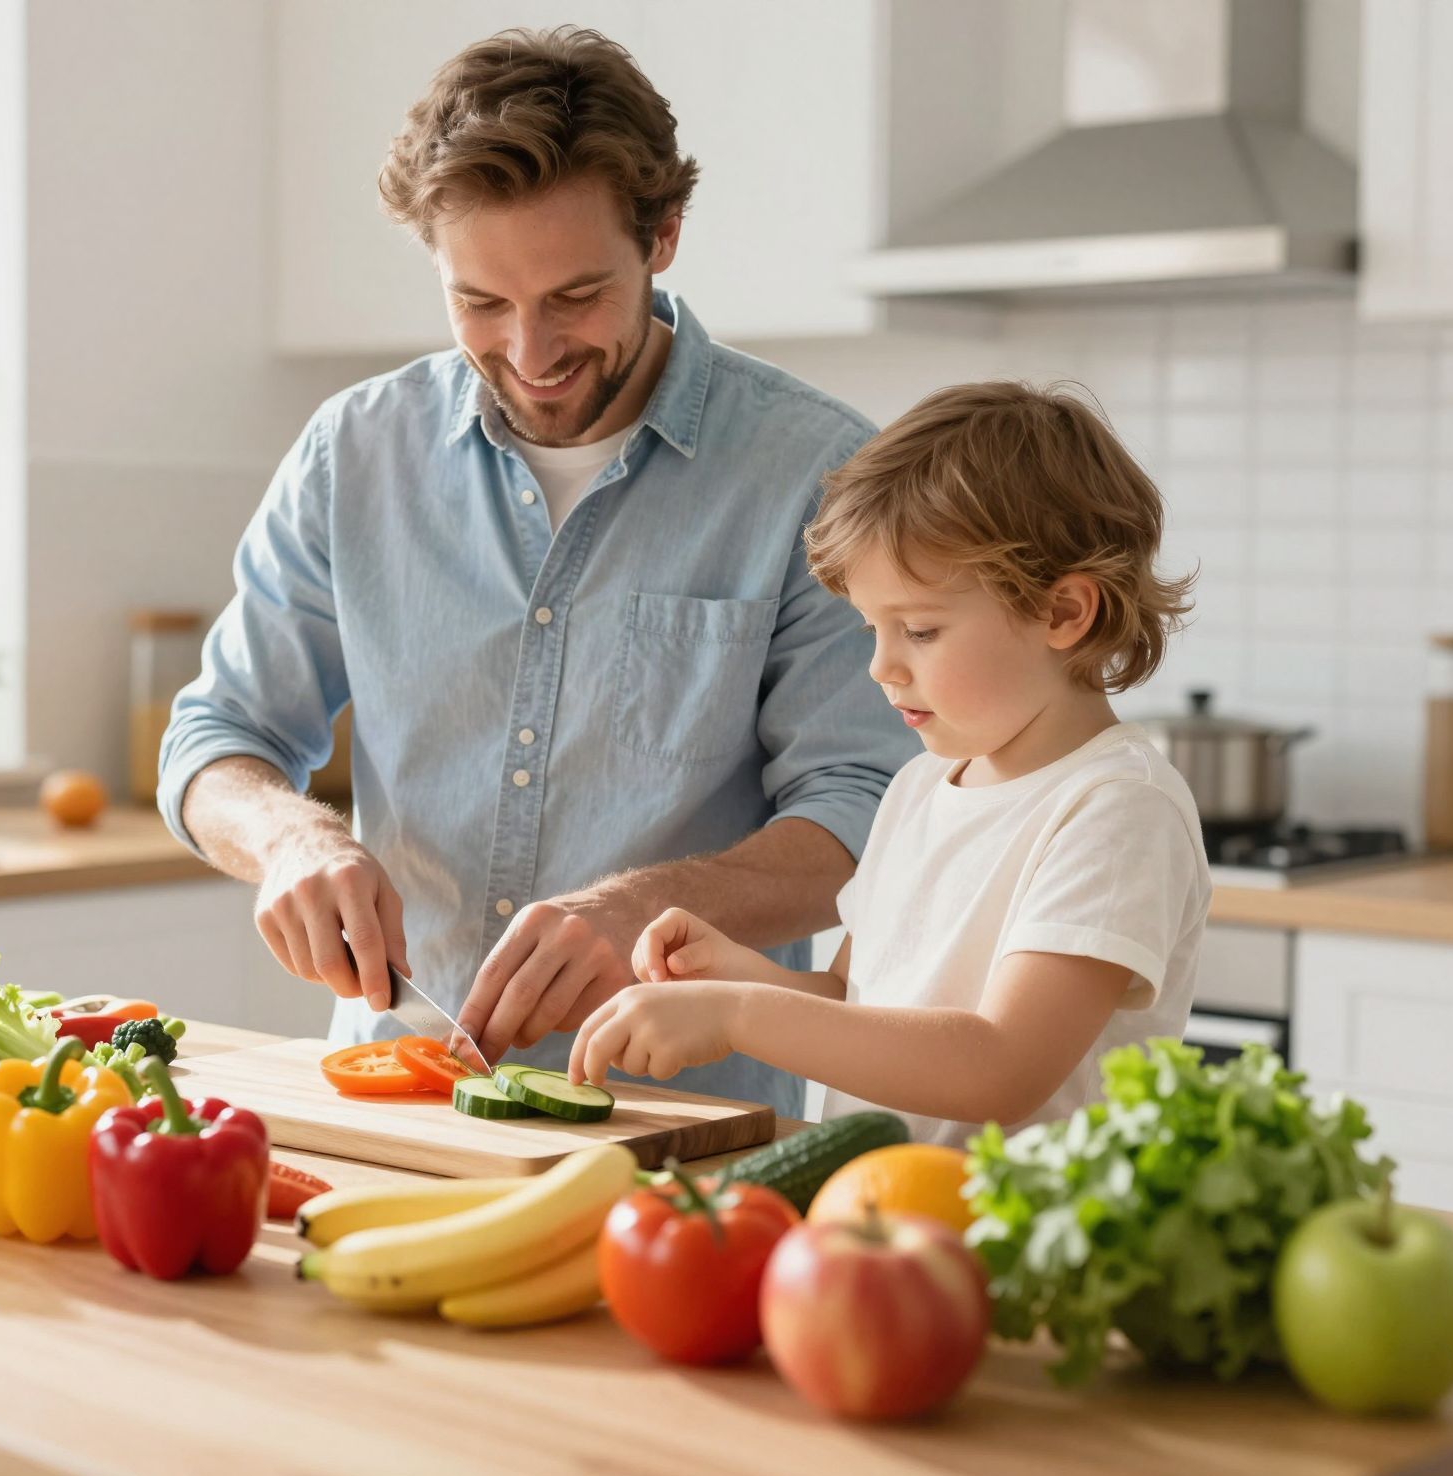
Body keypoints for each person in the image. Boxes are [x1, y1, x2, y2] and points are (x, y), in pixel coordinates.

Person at [156, 27, 911, 1116]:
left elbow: (865, 810)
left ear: (662, 236)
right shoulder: (352, 453)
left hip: (687, 1124)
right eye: (479, 302)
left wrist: (640, 907)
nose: (529, 351)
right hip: (399, 1099)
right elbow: (215, 737)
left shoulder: (816, 473)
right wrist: (290, 839)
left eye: (574, 296)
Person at [569, 381, 1211, 1145]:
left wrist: (741, 1015)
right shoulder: (919, 786)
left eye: (920, 631)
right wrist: (738, 975)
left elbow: (1001, 1068)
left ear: (1064, 612)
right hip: (888, 1205)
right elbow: (856, 1000)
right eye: (872, 628)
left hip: (1023, 1217)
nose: (881, 667)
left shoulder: (1116, 807)